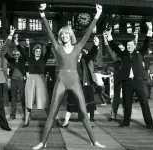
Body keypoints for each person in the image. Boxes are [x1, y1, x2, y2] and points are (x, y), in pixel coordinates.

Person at [33, 3, 105, 149]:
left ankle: (93, 140)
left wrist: (97, 15)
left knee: (84, 112)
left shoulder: (78, 47)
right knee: (52, 113)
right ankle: (43, 142)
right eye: (62, 34)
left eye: (67, 34)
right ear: (60, 36)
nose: (64, 36)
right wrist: (42, 13)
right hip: (61, 82)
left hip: (75, 82)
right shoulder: (57, 47)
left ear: (70, 35)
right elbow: (48, 31)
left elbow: (88, 33)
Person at [104, 22, 153, 129]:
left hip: (139, 82)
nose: (129, 47)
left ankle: (149, 123)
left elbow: (147, 42)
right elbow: (114, 46)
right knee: (127, 104)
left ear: (134, 45)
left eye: (131, 45)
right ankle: (126, 122)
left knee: (144, 103)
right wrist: (109, 36)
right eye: (128, 45)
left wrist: (150, 29)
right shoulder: (123, 54)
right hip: (127, 83)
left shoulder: (139, 52)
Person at [61, 37, 99, 128]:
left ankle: (88, 123)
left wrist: (96, 44)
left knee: (88, 104)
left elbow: (92, 53)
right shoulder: (71, 59)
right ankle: (66, 121)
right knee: (71, 103)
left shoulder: (86, 58)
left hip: (86, 84)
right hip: (74, 84)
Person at [22, 39, 52, 127]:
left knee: (44, 100)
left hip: (41, 80)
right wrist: (22, 45)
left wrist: (49, 43)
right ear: (34, 51)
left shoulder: (44, 59)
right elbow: (23, 52)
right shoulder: (30, 59)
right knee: (29, 101)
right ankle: (26, 121)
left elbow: (48, 51)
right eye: (36, 51)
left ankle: (50, 120)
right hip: (30, 79)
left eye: (40, 51)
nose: (38, 52)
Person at [4, 35, 27, 120]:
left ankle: (26, 115)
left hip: (21, 81)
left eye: (18, 53)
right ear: (13, 54)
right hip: (13, 81)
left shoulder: (23, 60)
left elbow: (24, 53)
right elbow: (5, 53)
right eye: (15, 53)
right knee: (13, 99)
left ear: (20, 54)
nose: (16, 55)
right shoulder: (12, 60)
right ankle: (12, 116)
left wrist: (17, 42)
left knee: (23, 98)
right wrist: (6, 43)